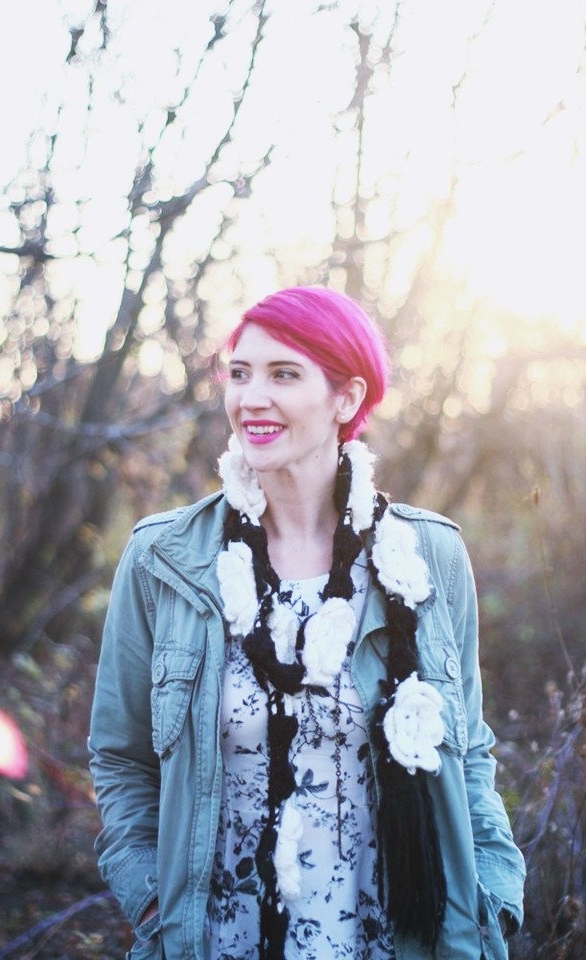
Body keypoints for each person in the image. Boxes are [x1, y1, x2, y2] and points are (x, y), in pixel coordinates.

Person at [89, 286, 526, 960]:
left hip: (390, 940)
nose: (250, 397)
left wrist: (492, 901)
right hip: (217, 941)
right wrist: (155, 903)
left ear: (347, 399)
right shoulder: (165, 560)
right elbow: (122, 759)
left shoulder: (427, 556)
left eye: (283, 374)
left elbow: (468, 757)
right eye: (240, 374)